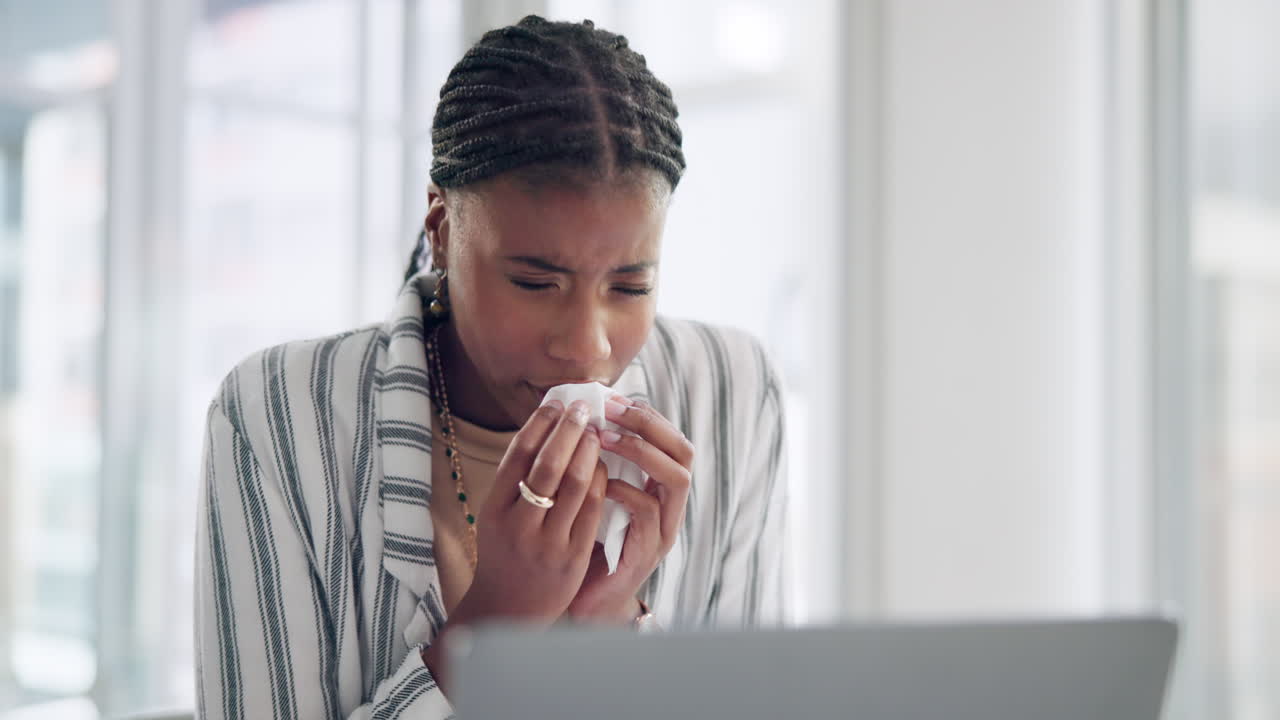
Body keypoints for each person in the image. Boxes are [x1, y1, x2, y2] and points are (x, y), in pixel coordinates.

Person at [194, 15, 787, 719]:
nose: (587, 347)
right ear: (442, 231)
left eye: (630, 287)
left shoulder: (730, 395)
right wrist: (496, 623)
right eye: (536, 284)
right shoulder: (277, 419)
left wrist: (614, 627)